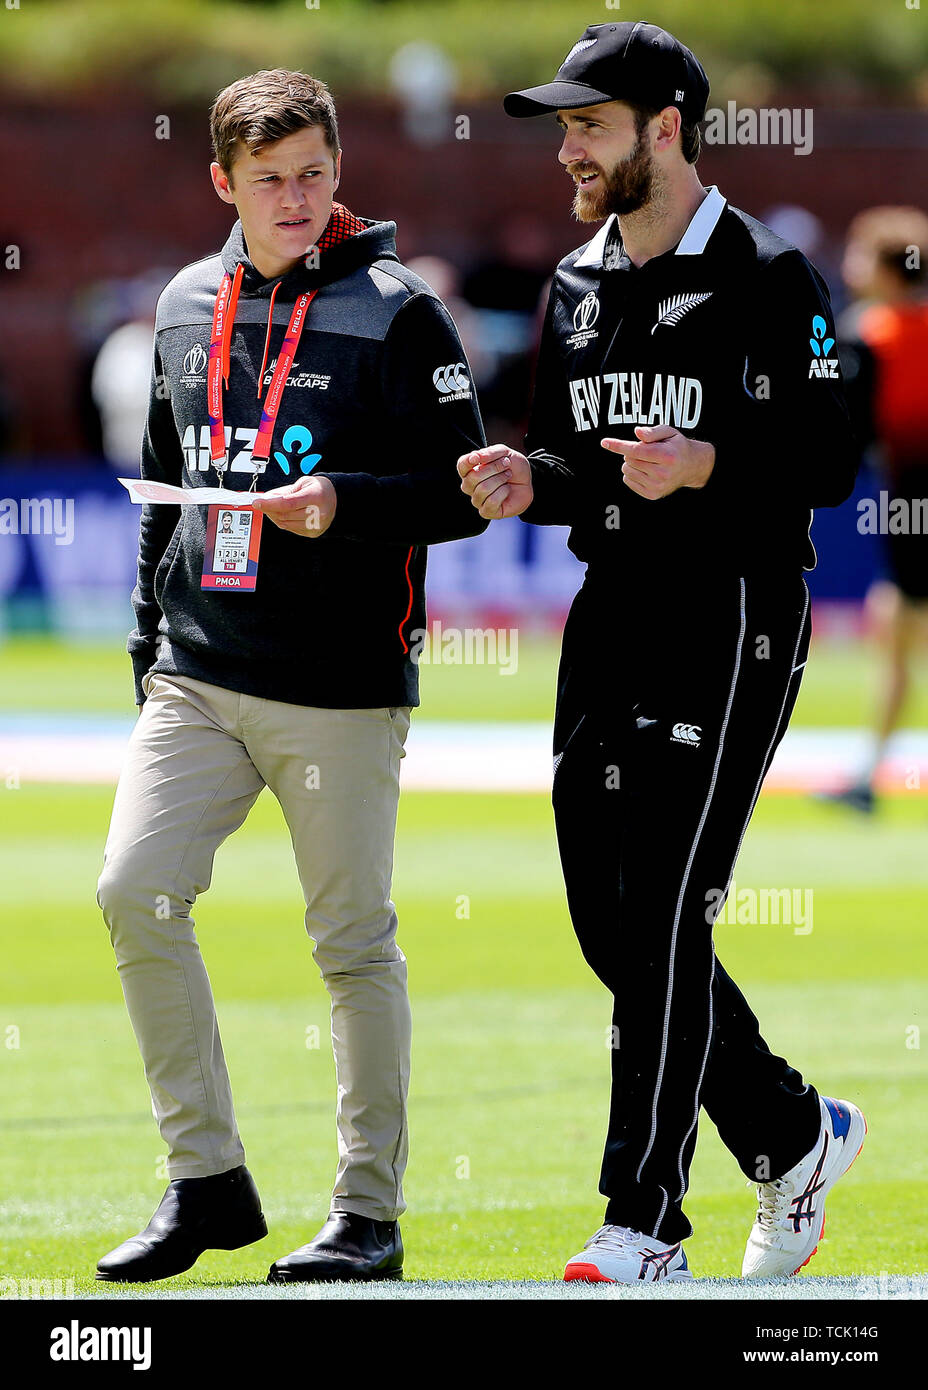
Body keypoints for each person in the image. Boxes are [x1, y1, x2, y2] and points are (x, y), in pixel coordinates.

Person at [459, 20, 865, 1283]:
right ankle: (794, 1133)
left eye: (589, 124)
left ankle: (643, 1223)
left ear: (667, 129)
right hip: (613, 612)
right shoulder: (573, 285)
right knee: (611, 923)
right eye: (564, 126)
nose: (567, 149)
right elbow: (588, 468)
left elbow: (830, 465)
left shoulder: (767, 271)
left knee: (672, 912)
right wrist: (533, 478)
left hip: (734, 611)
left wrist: (708, 466)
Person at [95, 67, 486, 1285]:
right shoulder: (179, 302)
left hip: (343, 685)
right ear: (223, 182)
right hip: (198, 675)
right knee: (131, 892)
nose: (297, 198)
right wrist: (147, 638)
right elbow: (168, 483)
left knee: (351, 945)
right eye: (270, 179)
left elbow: (467, 494)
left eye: (314, 172)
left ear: (336, 171)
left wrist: (345, 505)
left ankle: (367, 1214)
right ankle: (205, 1181)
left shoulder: (400, 309)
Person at [821, 207, 928, 813]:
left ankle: (867, 776)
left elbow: (848, 433)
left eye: (863, 254)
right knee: (894, 627)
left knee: (897, 630)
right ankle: (868, 774)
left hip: (911, 505)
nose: (852, 265)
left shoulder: (871, 333)